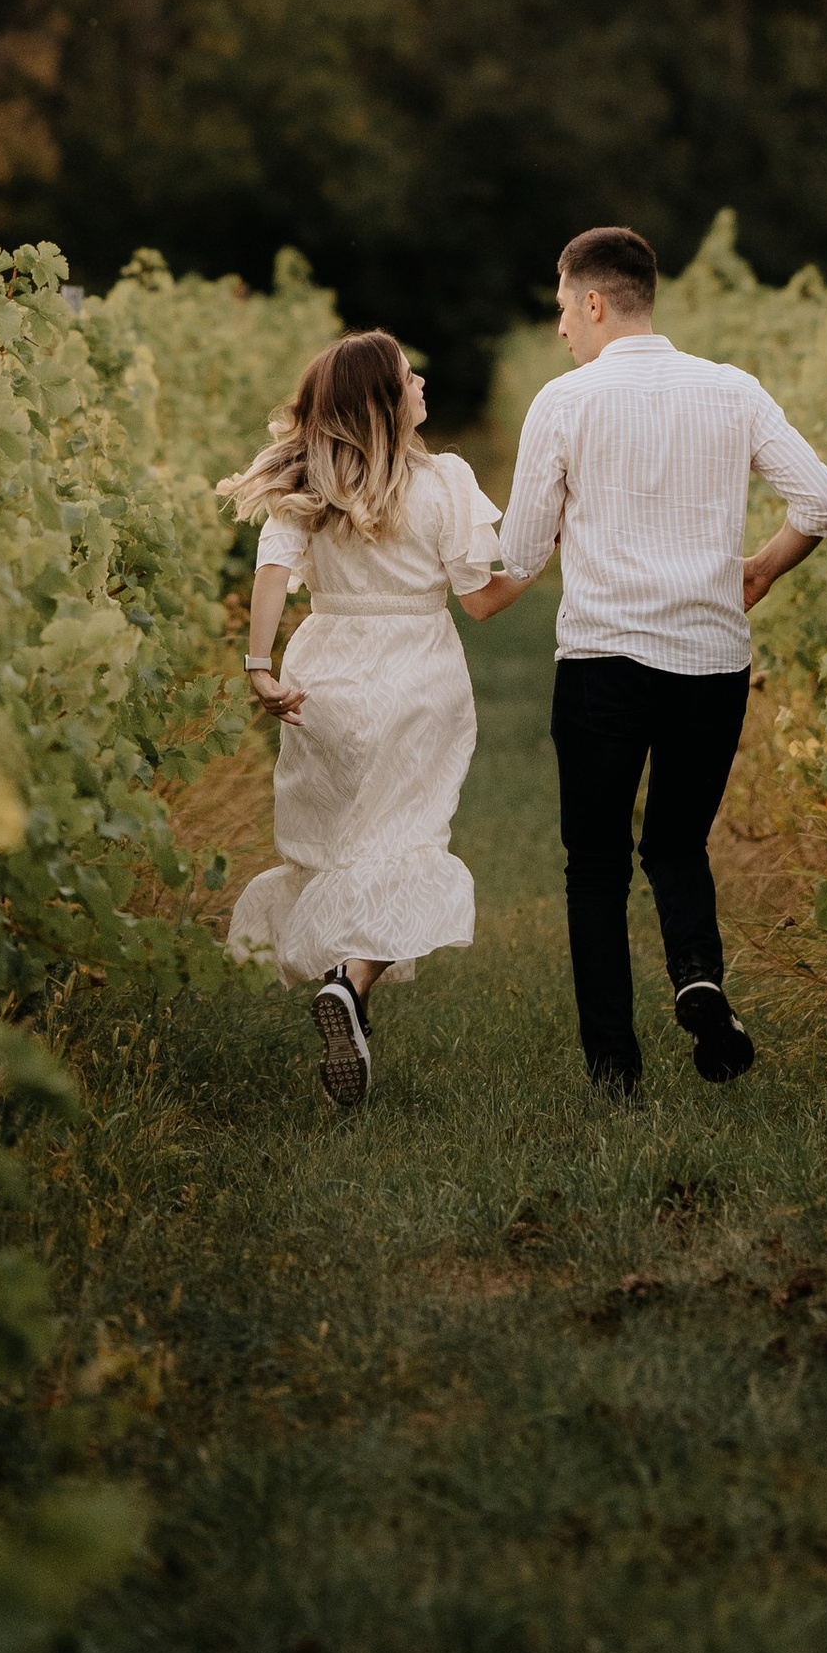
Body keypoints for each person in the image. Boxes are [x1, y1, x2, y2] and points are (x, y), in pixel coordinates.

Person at [485, 225, 827, 1098]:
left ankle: (615, 1069)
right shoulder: (732, 390)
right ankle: (700, 982)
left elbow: (522, 550)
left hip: (605, 660)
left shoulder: (565, 403)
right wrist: (760, 567)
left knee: (596, 862)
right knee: (678, 843)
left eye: (565, 306)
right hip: (711, 661)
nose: (562, 326)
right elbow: (822, 501)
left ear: (596, 301)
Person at [219, 330, 501, 1109]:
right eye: (410, 379)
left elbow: (273, 568)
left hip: (325, 678)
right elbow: (478, 588)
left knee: (344, 848)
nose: (421, 388)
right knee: (405, 844)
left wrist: (260, 666)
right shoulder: (444, 482)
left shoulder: (312, 480)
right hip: (416, 678)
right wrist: (542, 566)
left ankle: (354, 1024)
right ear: (383, 402)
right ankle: (350, 981)